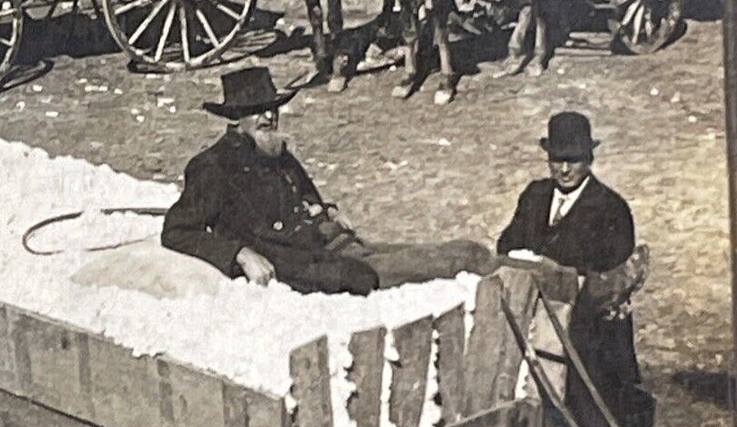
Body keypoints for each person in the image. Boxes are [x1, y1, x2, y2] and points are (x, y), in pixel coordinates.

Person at [162, 67, 493, 296]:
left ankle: (534, 270)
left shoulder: (275, 150)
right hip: (313, 265)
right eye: (257, 110)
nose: (268, 117)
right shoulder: (214, 167)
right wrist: (239, 254)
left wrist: (329, 212)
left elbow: (306, 196)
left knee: (464, 249)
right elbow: (177, 230)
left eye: (271, 108)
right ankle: (535, 279)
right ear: (234, 118)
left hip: (339, 245)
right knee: (457, 262)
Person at [497, 110, 653, 427]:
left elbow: (609, 281)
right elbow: (507, 243)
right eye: (557, 159)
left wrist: (559, 275)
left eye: (574, 159)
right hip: (544, 337)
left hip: (593, 345)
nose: (564, 168)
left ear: (590, 159)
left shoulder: (611, 209)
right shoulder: (534, 197)